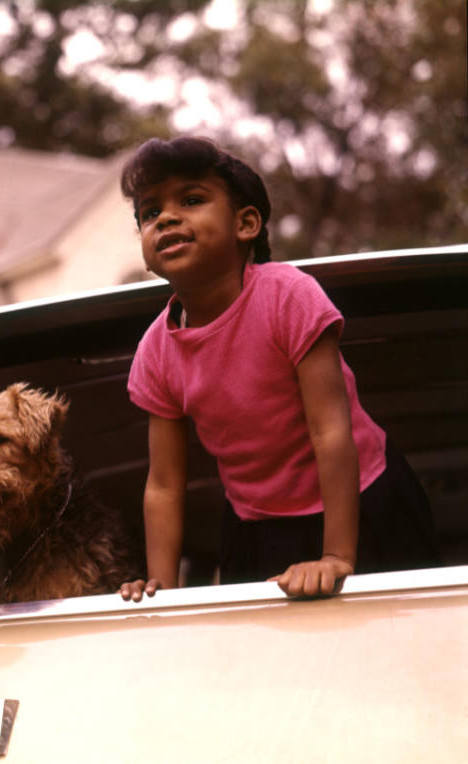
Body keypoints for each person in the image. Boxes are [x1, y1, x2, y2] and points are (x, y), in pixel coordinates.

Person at [116, 137, 439, 602]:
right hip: (256, 527)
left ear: (245, 223)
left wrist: (336, 557)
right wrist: (161, 591)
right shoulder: (154, 351)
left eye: (191, 200)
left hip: (363, 502)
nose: (165, 218)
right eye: (149, 213)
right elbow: (165, 483)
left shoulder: (289, 296)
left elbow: (330, 430)